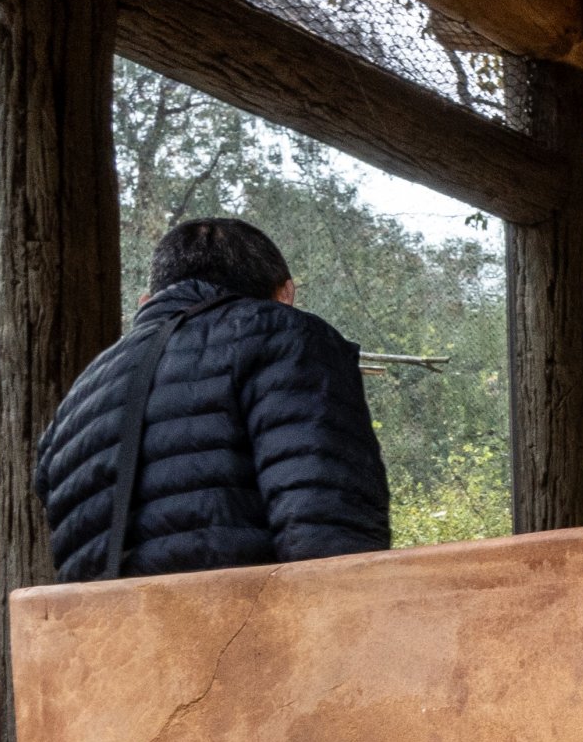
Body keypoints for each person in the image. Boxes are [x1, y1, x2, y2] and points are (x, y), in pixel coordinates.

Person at [33, 217, 389, 581]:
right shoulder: (284, 333)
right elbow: (326, 518)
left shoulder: (78, 397)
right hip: (238, 626)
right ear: (286, 295)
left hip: (102, 631)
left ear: (148, 302)